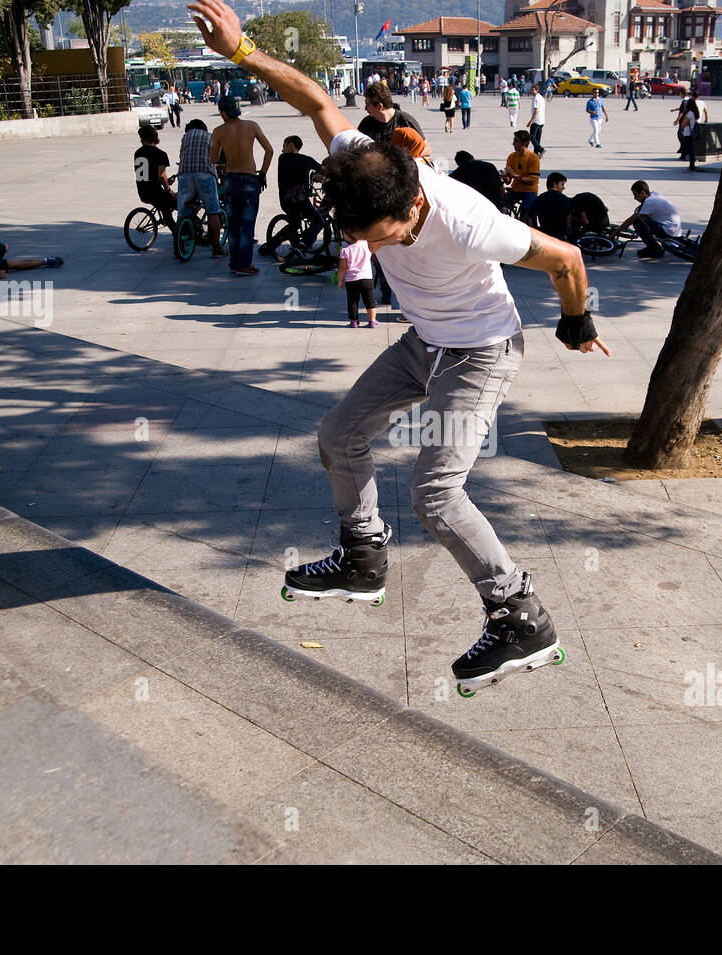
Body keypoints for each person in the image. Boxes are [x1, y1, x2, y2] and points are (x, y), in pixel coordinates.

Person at [188, 0, 607, 690]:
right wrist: (241, 52)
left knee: (436, 494)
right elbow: (315, 98)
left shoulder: (470, 222)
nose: (370, 249)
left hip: (481, 350)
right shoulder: (363, 163)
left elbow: (565, 258)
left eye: (379, 237)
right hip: (425, 342)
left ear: (414, 206)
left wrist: (576, 322)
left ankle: (521, 616)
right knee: (338, 433)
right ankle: (363, 557)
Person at [209, 95, 272, 275]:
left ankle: (234, 263)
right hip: (250, 179)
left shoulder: (218, 131)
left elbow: (213, 159)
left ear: (223, 112)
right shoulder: (251, 126)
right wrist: (263, 173)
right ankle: (245, 264)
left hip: (229, 180)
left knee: (233, 224)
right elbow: (269, 150)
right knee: (247, 224)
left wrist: (225, 160)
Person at [259, 134, 323, 259]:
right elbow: (323, 169)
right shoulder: (306, 160)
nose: (282, 149)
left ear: (291, 145)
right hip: (302, 203)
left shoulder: (282, 159)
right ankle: (303, 244)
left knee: (294, 224)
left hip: (285, 202)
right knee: (319, 221)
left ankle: (270, 245)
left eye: (284, 145)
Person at [177, 117, 226, 258]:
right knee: (213, 211)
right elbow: (216, 158)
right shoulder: (211, 137)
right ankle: (216, 248)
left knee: (184, 209)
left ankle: (180, 243)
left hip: (184, 175)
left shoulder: (185, 137)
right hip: (205, 173)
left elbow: (182, 157)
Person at [615, 180, 680, 258]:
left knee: (638, 222)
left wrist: (615, 233)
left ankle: (653, 248)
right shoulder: (654, 195)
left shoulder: (649, 202)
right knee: (642, 218)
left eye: (635, 195)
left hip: (668, 230)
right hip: (673, 228)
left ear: (642, 193)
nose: (634, 198)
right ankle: (654, 245)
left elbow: (632, 219)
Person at [134, 124, 177, 230]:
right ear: (155, 137)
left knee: (165, 206)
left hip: (143, 191)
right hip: (155, 192)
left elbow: (147, 174)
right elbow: (161, 176)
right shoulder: (160, 154)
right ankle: (179, 234)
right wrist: (168, 189)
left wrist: (166, 181)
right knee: (179, 203)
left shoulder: (138, 153)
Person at [358, 82, 423, 142]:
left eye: (367, 104)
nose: (365, 108)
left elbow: (425, 148)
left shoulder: (405, 121)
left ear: (380, 106)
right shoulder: (366, 123)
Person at [500, 129, 540, 220]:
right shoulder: (512, 156)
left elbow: (532, 181)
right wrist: (505, 178)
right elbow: (508, 181)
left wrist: (514, 175)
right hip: (515, 189)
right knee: (501, 205)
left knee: (527, 211)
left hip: (529, 191)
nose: (513, 143)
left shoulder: (533, 158)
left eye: (516, 141)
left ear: (525, 143)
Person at [338, 239, 378, 328]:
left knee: (352, 301)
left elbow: (342, 267)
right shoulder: (367, 244)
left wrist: (340, 280)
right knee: (369, 300)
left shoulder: (345, 250)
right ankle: (372, 320)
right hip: (366, 278)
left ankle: (354, 321)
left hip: (351, 280)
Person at [529, 172, 572, 241]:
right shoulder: (564, 199)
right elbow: (568, 221)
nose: (563, 187)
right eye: (562, 184)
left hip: (544, 235)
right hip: (559, 237)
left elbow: (527, 217)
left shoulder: (540, 198)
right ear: (555, 184)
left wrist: (535, 230)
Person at [527, 85, 546, 157]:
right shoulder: (541, 98)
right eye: (531, 90)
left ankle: (540, 149)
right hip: (541, 120)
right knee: (537, 138)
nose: (532, 91)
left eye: (533, 90)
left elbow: (536, 111)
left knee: (532, 137)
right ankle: (536, 153)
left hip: (536, 120)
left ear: (537, 90)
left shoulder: (536, 99)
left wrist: (531, 121)